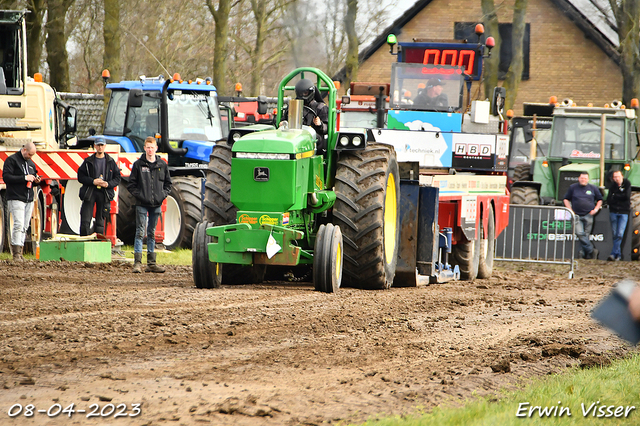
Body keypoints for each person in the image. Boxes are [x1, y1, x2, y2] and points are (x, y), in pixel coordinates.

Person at [127, 137, 172, 273]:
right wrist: (141, 195)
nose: (150, 150)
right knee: (140, 232)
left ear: (156, 148)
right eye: (148, 147)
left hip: (156, 204)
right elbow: (131, 185)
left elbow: (168, 184)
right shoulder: (138, 165)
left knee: (152, 233)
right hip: (141, 204)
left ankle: (151, 264)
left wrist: (161, 195)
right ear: (145, 148)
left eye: (152, 147)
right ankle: (137, 264)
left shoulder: (162, 165)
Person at [2, 142, 40, 261]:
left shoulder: (31, 164)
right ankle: (16, 254)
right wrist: (24, 178)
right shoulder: (11, 160)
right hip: (16, 197)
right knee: (18, 224)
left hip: (28, 198)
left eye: (32, 155)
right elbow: (6, 177)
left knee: (24, 226)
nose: (31, 157)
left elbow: (33, 176)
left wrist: (36, 180)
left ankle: (21, 251)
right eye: (29, 154)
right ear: (24, 150)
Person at [77, 137, 121, 236]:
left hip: (104, 193)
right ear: (94, 146)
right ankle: (84, 240)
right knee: (85, 220)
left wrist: (108, 184)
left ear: (105, 146)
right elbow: (80, 176)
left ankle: (99, 243)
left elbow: (117, 178)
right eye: (98, 145)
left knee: (100, 221)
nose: (100, 147)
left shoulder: (110, 161)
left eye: (102, 145)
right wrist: (93, 181)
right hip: (90, 192)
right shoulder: (88, 161)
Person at [563, 172, 603, 259]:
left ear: (588, 179)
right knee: (580, 233)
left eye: (585, 178)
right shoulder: (573, 187)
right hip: (576, 215)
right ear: (579, 178)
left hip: (588, 215)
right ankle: (592, 251)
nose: (583, 180)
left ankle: (582, 254)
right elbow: (566, 199)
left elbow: (600, 199)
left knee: (585, 235)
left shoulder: (593, 188)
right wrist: (570, 210)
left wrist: (595, 209)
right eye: (581, 178)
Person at [281, 78, 329, 151]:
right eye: (300, 93)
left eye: (305, 93)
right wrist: (282, 123)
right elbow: (283, 120)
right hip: (294, 135)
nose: (302, 95)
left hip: (313, 138)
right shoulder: (292, 106)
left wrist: (320, 124)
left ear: (311, 92)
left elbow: (327, 128)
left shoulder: (321, 107)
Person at [606, 170, 631, 261]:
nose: (616, 178)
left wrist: (615, 196)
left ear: (622, 176)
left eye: (618, 176)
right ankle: (618, 255)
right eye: (615, 177)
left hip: (623, 212)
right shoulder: (612, 186)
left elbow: (626, 197)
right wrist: (618, 196)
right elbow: (609, 199)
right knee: (615, 234)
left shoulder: (627, 184)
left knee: (620, 234)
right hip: (613, 212)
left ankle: (613, 254)